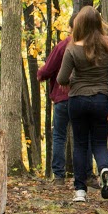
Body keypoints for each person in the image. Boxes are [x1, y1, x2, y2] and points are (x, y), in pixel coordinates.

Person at [55, 6, 108, 203]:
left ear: (79, 24)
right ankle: (105, 170)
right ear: (99, 23)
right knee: (99, 143)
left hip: (77, 101)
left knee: (80, 144)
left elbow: (61, 78)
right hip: (102, 99)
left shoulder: (72, 48)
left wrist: (73, 80)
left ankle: (80, 191)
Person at [35, 36, 71, 181]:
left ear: (70, 27)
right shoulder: (90, 44)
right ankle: (86, 174)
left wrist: (40, 74)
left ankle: (59, 175)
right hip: (82, 98)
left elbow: (47, 70)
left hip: (62, 98)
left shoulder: (63, 46)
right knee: (82, 137)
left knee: (59, 136)